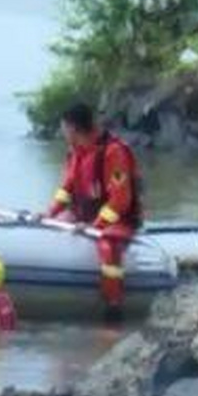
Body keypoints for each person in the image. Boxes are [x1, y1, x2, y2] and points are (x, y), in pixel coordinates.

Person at [44, 102, 142, 319]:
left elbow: (121, 200)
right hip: (86, 216)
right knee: (57, 223)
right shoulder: (76, 153)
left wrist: (94, 226)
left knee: (107, 245)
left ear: (72, 128)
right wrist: (50, 214)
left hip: (120, 219)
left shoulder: (113, 152)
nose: (62, 133)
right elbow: (67, 189)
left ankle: (113, 308)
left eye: (63, 128)